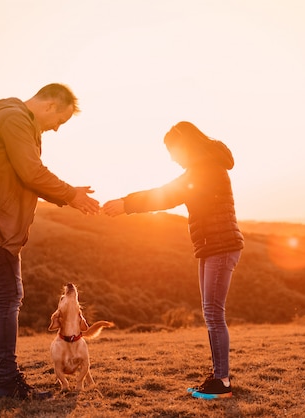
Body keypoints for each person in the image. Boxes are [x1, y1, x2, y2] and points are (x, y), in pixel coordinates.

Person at [0, 83, 100, 400]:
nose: (56, 129)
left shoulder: (7, 117)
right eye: (59, 121)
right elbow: (31, 172)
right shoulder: (16, 119)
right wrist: (70, 194)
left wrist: (66, 195)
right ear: (50, 105)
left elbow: (24, 173)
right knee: (7, 300)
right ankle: (7, 384)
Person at [103, 121, 244, 400]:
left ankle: (222, 382)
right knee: (211, 314)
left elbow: (166, 195)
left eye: (172, 150)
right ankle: (218, 376)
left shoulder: (205, 170)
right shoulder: (205, 166)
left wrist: (126, 204)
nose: (171, 157)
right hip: (210, 246)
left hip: (220, 246)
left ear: (185, 146)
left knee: (214, 315)